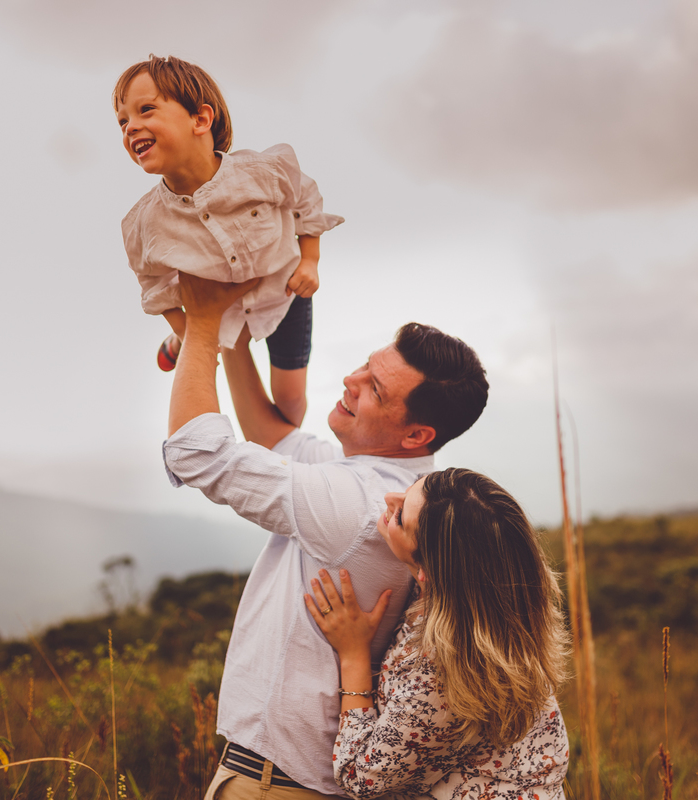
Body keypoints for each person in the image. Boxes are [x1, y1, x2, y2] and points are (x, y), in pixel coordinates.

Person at [162, 272, 489, 798]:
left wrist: (201, 326)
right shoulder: (380, 482)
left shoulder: (359, 505)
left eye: (374, 388)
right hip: (285, 778)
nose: (351, 381)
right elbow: (272, 437)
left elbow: (196, 451)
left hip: (276, 784)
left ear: (416, 434)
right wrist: (234, 340)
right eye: (366, 364)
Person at [305, 468, 570, 799]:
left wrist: (354, 654)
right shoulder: (502, 609)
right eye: (411, 489)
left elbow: (359, 777)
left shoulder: (448, 669)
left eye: (401, 516)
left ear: (427, 571)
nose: (390, 498)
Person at [115, 54, 343, 426]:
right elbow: (153, 285)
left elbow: (305, 201)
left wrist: (310, 260)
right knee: (199, 343)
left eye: (146, 110)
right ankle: (178, 342)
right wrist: (188, 335)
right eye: (123, 120)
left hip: (282, 294)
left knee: (292, 406)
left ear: (200, 119)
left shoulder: (262, 173)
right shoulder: (144, 224)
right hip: (219, 310)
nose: (129, 127)